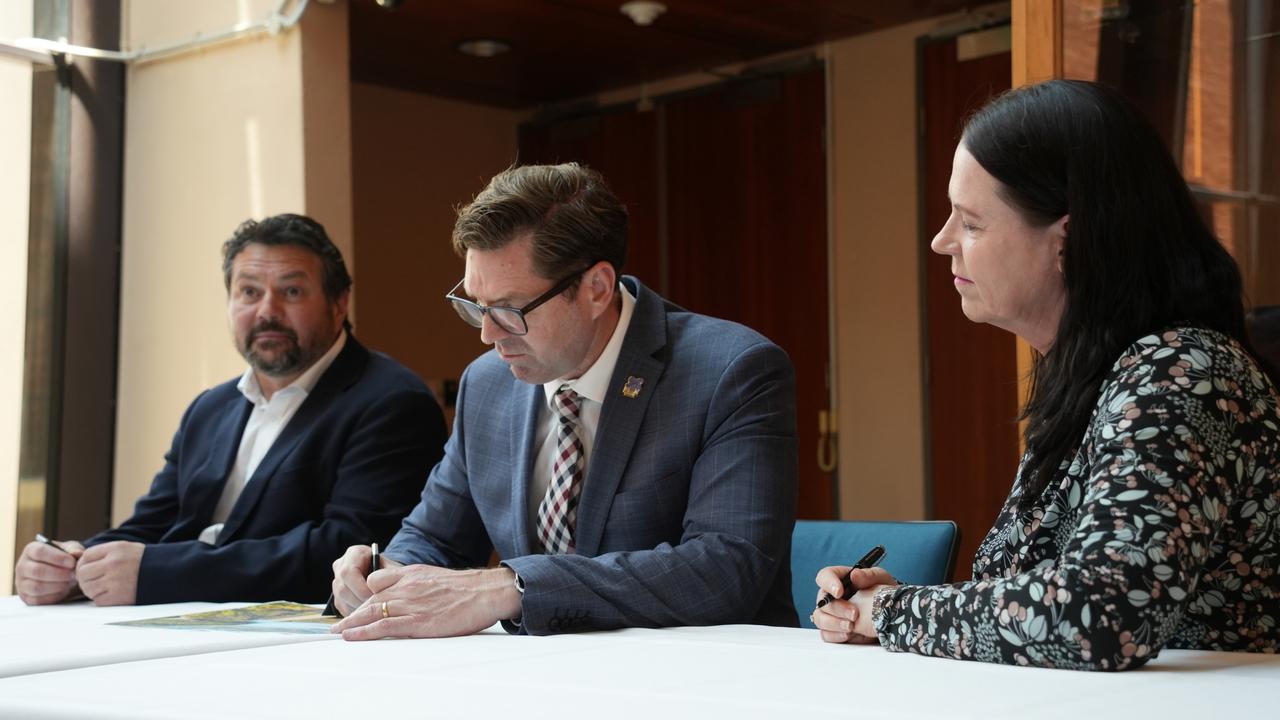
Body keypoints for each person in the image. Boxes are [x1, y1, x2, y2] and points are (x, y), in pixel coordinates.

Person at [813, 79, 1280, 670]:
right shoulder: (1097, 373)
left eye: (972, 222)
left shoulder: (1182, 373)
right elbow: (1048, 596)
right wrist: (890, 603)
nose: (941, 242)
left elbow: (1102, 616)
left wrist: (897, 611)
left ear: (1069, 237)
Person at [329, 163, 798, 638]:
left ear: (596, 288)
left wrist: (513, 587)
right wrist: (383, 572)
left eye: (510, 310)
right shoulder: (486, 385)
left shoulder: (731, 370)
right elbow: (435, 538)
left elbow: (725, 568)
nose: (488, 336)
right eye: (475, 305)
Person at [14, 213, 447, 606]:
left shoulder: (391, 402)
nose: (267, 312)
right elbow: (154, 524)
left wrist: (158, 574)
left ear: (339, 303)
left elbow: (348, 550)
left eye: (291, 291)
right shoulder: (210, 408)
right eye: (248, 292)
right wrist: (72, 563)